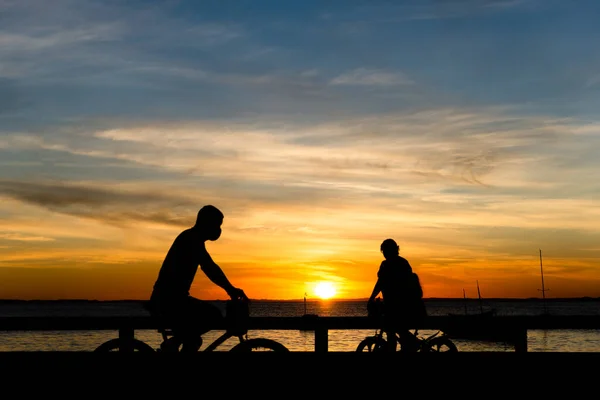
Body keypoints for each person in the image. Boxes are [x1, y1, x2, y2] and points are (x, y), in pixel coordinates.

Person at [148, 205, 248, 353]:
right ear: (207, 222)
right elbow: (210, 268)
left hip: (170, 299)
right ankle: (174, 342)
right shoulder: (191, 239)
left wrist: (230, 289)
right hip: (169, 300)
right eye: (217, 224)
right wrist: (230, 289)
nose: (219, 229)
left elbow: (210, 267)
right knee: (213, 316)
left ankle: (175, 343)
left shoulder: (192, 238)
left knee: (194, 339)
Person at [367, 238, 426, 352]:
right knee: (397, 332)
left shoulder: (386, 265)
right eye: (383, 251)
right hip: (402, 304)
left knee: (392, 331)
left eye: (385, 250)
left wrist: (372, 298)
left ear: (392, 250)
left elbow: (380, 283)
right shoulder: (403, 262)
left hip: (398, 305)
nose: (384, 253)